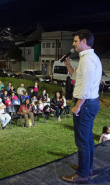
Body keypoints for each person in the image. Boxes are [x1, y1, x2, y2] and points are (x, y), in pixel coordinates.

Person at [62, 29, 102, 184]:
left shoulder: (87, 60)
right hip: (90, 103)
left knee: (82, 141)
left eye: (75, 41)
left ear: (84, 41)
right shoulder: (89, 58)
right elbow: (76, 77)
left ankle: (82, 174)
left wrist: (78, 105)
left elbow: (85, 86)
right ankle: (87, 168)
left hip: (84, 105)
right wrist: (68, 65)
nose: (73, 44)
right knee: (88, 139)